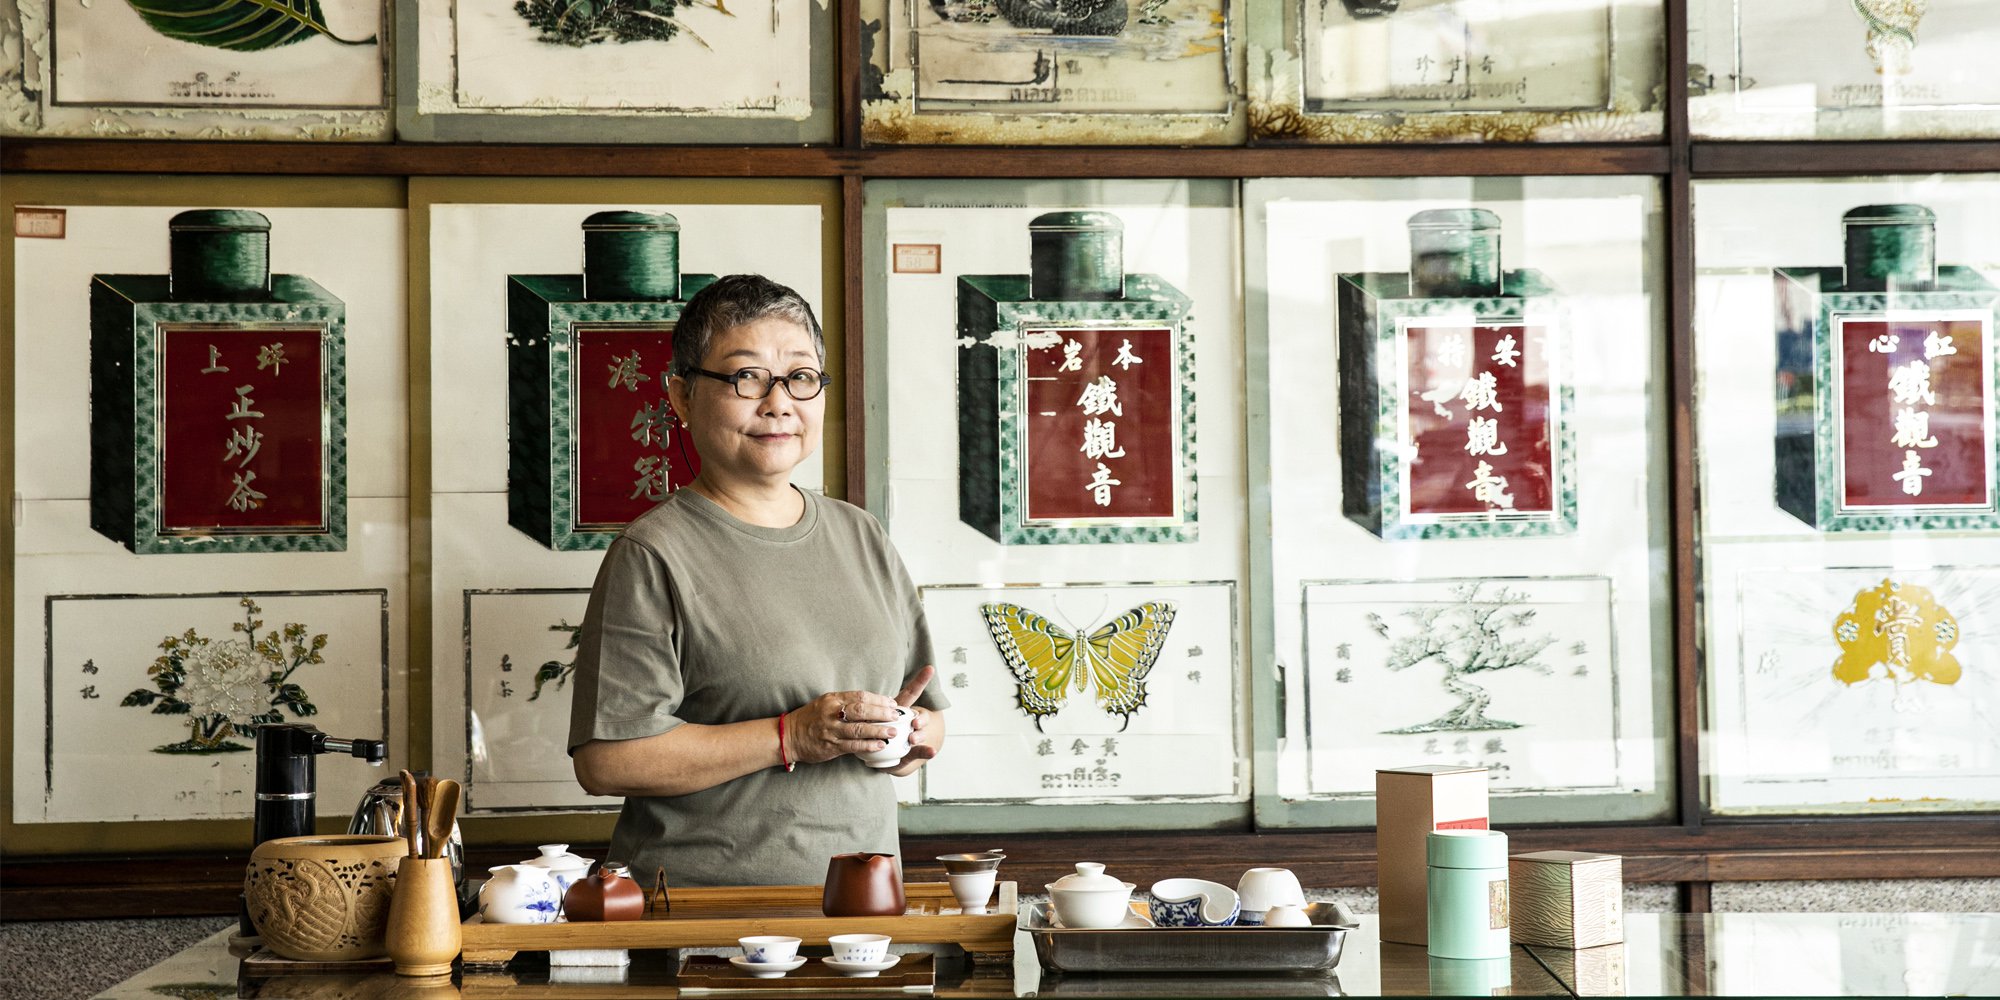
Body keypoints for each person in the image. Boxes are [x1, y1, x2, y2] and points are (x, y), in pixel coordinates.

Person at [567, 273, 946, 887]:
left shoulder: (861, 534)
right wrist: (791, 736)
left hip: (863, 910)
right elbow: (606, 761)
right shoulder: (652, 553)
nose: (778, 402)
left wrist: (909, 736)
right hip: (704, 914)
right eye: (747, 377)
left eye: (800, 376)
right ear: (682, 396)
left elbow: (925, 710)